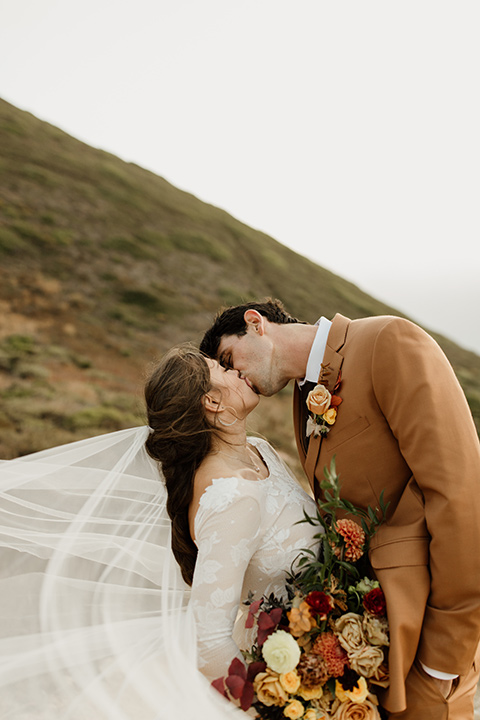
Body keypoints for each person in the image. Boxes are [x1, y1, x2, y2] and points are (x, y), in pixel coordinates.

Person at [0, 345, 319, 719]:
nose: (236, 370)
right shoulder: (234, 496)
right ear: (212, 403)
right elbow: (210, 641)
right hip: (289, 680)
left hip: (320, 644)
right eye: (222, 369)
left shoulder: (260, 451)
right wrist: (280, 705)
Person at [200, 298, 480, 720]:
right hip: (364, 652)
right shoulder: (303, 396)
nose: (237, 378)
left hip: (424, 645)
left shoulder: (388, 342)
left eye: (228, 359)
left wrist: (443, 660)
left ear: (256, 324)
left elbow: (463, 497)